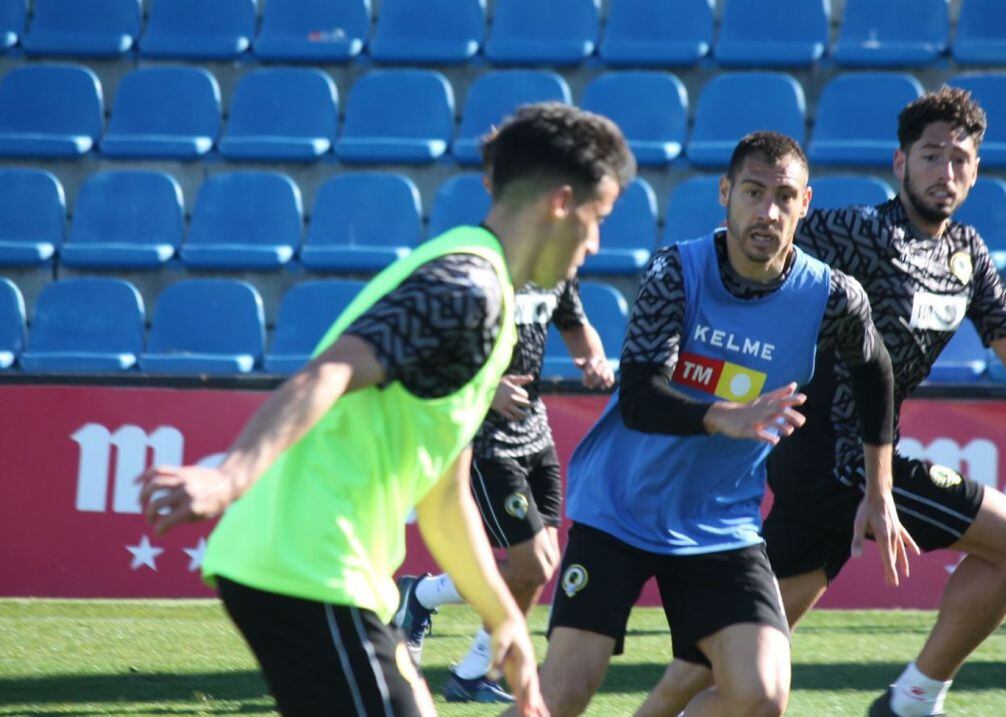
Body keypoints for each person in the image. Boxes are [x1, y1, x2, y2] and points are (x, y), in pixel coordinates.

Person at [137, 101, 636, 717]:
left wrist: (504, 618)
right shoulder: (467, 287)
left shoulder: (491, 297)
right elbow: (332, 371)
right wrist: (228, 476)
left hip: (324, 575)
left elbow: (446, 492)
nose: (595, 242)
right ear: (561, 202)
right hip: (308, 567)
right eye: (598, 217)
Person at [639, 87, 1006, 717]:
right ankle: (913, 701)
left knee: (724, 656)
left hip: (837, 468)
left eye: (960, 160)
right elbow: (753, 245)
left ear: (977, 171)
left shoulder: (969, 256)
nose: (944, 172)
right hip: (842, 460)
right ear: (900, 164)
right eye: (931, 156)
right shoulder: (858, 232)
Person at [505, 131, 905, 717]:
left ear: (806, 203)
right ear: (725, 193)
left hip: (719, 524)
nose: (767, 211)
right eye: (752, 191)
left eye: (784, 196)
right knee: (562, 696)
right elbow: (640, 398)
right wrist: (726, 418)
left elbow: (876, 371)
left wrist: (881, 489)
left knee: (761, 694)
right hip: (621, 507)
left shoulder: (832, 297)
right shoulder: (678, 271)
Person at [393, 272, 615, 704]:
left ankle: (468, 664)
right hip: (486, 441)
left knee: (539, 565)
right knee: (531, 565)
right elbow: (429, 358)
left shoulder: (558, 272)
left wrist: (593, 359)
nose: (585, 245)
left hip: (536, 432)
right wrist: (487, 388)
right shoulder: (482, 272)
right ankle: (431, 610)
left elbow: (574, 325)